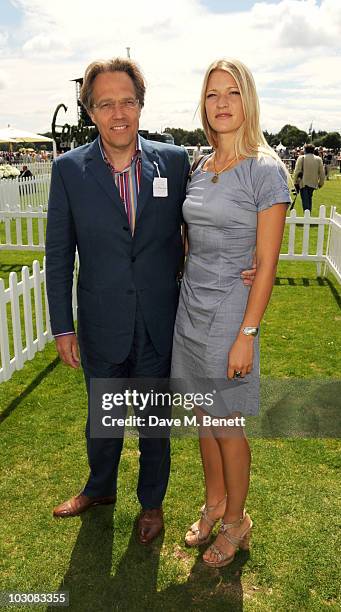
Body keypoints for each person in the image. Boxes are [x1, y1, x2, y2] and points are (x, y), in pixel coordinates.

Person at [45, 56, 258, 544]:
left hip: (163, 322)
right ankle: (99, 488)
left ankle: (151, 505)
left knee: (154, 424)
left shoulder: (176, 161)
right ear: (90, 112)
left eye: (127, 101)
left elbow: (206, 222)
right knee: (103, 420)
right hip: (102, 321)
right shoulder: (68, 170)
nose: (118, 113)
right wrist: (63, 327)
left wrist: (243, 260)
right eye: (105, 104)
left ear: (141, 105)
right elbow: (59, 256)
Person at [171, 58, 290, 567]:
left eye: (232, 92)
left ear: (248, 102)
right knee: (203, 416)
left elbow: (266, 264)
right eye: (213, 93)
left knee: (228, 422)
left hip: (230, 315)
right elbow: (189, 237)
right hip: (189, 307)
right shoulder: (200, 166)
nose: (221, 103)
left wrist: (248, 331)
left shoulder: (266, 170)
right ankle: (215, 501)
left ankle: (238, 521)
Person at [293, 143, 324, 213]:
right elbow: (322, 173)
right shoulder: (319, 159)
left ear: (305, 150)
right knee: (309, 198)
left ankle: (307, 216)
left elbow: (297, 171)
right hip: (313, 183)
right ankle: (308, 215)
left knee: (305, 200)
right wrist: (321, 183)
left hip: (303, 183)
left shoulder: (301, 158)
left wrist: (295, 182)